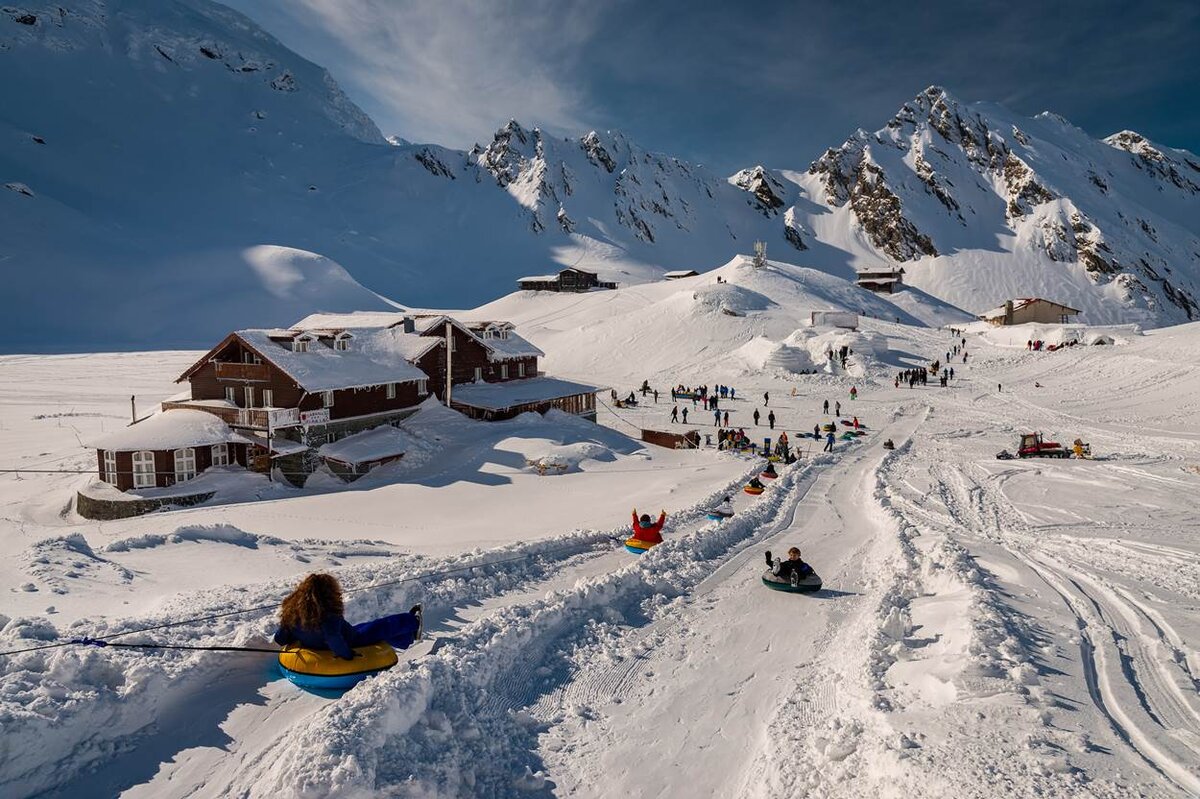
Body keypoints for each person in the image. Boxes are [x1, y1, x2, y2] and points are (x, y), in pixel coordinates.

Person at [273, 573, 422, 660]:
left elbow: (280, 638)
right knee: (380, 626)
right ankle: (412, 621)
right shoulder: (327, 614)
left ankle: (409, 637)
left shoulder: (293, 613)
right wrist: (347, 655)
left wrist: (300, 635)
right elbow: (333, 637)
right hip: (350, 639)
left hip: (318, 643)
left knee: (370, 630)